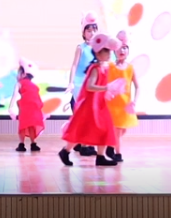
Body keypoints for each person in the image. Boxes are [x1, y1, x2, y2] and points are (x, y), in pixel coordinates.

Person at [58, 33, 126, 167]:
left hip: (100, 104)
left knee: (105, 128)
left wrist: (110, 91)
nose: (109, 54)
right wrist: (107, 88)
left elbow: (102, 86)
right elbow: (90, 86)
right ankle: (65, 151)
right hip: (90, 106)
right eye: (106, 51)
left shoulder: (104, 68)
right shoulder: (95, 68)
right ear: (98, 53)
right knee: (82, 131)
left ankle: (100, 156)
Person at [65, 12, 100, 157]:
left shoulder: (99, 48)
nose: (92, 33)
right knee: (84, 115)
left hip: (92, 84)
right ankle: (84, 145)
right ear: (83, 32)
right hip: (80, 85)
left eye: (94, 30)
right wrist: (71, 83)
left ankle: (84, 142)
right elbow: (74, 65)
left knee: (91, 115)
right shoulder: (81, 47)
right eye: (89, 30)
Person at [106, 30, 139, 162]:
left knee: (122, 130)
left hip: (125, 105)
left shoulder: (130, 68)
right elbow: (103, 83)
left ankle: (110, 146)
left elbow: (138, 86)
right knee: (117, 131)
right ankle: (117, 153)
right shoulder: (109, 66)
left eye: (125, 47)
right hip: (112, 105)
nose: (122, 50)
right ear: (114, 50)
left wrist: (135, 101)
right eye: (119, 47)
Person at [9, 59, 46, 152]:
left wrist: (11, 107)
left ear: (23, 74)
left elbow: (15, 95)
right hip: (34, 108)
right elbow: (38, 99)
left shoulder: (19, 83)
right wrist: (41, 110)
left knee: (23, 125)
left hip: (24, 107)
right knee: (31, 125)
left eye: (18, 73)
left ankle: (21, 144)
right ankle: (33, 144)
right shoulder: (34, 86)